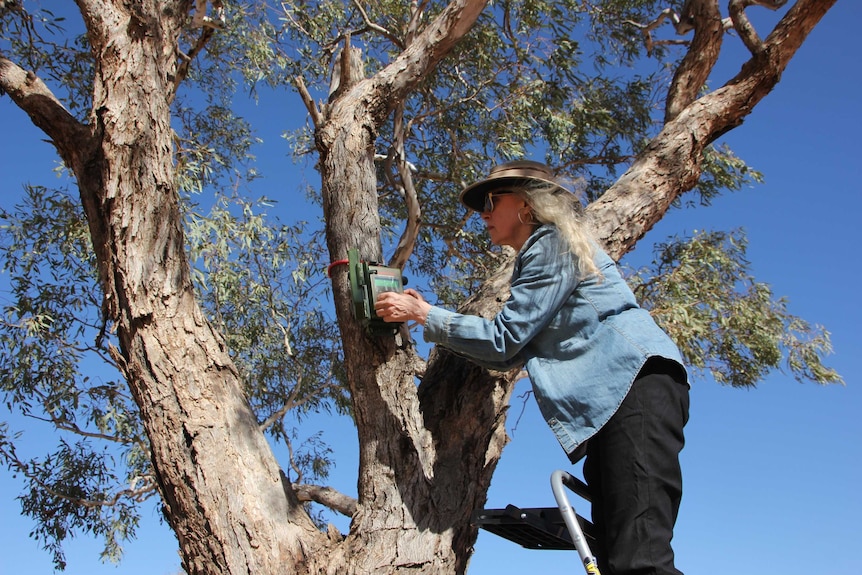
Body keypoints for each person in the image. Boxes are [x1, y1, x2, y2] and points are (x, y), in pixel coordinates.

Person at [374, 160, 690, 575]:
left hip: (632, 388)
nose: (483, 214)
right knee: (617, 559)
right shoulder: (542, 253)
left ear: (526, 204)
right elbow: (506, 354)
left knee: (639, 560)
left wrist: (424, 314)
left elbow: (505, 340)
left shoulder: (551, 242)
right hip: (617, 402)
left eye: (490, 201)